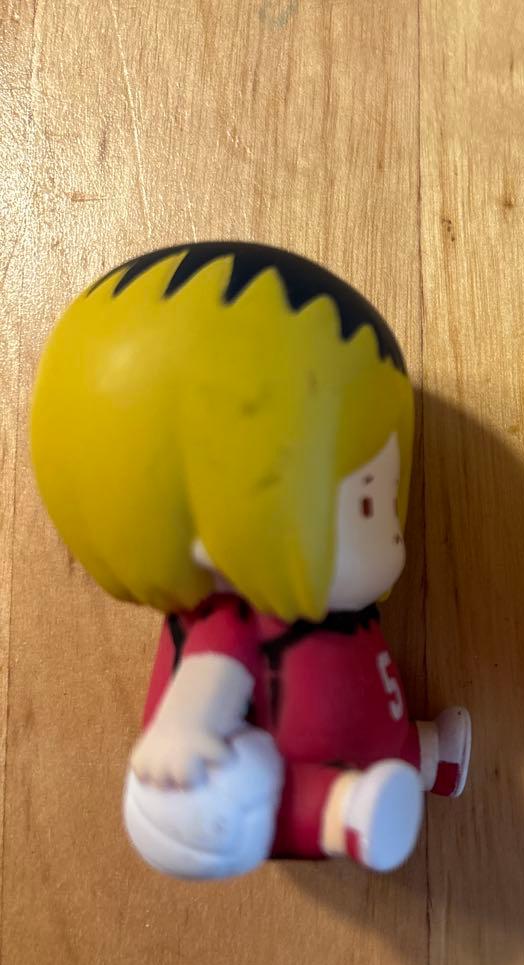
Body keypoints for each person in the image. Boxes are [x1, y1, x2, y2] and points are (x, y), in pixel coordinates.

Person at [31, 242, 470, 879]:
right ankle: (350, 816)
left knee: (393, 742)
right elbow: (206, 686)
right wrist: (183, 734)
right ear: (223, 524)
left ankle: (430, 759)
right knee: (315, 794)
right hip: (306, 774)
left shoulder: (330, 610)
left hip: (376, 726)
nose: (393, 533)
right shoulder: (227, 629)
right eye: (368, 502)